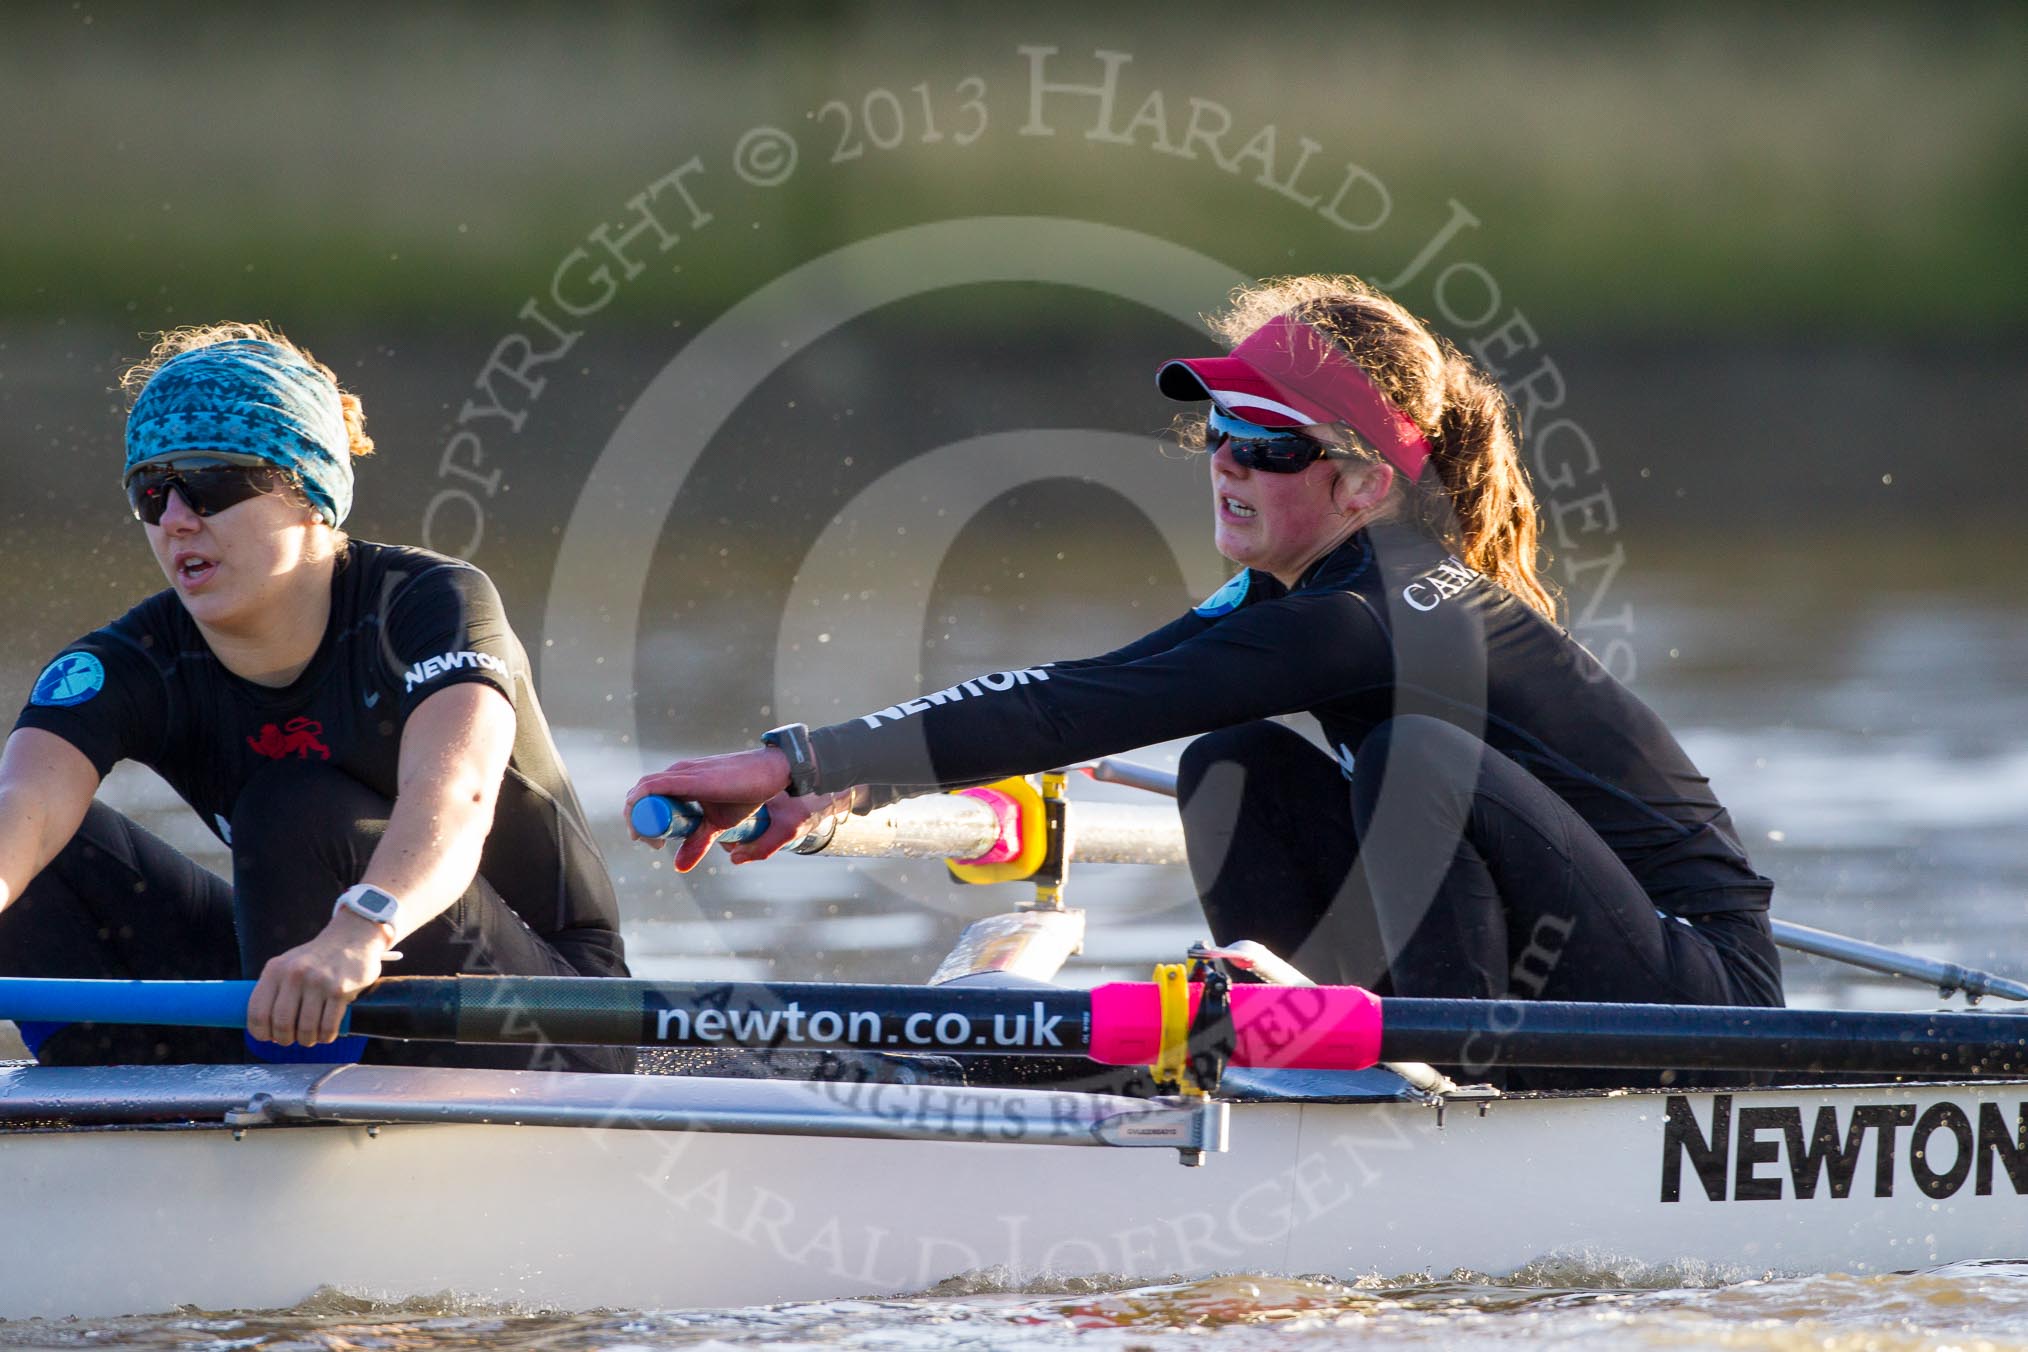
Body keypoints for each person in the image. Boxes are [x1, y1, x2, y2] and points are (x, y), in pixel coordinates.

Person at [625, 276, 1784, 1064]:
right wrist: (840, 779)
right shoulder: (1295, 595)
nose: (1228, 461)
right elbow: (1079, 692)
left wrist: (783, 754)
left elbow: (1081, 705)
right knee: (1231, 761)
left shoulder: (1374, 613)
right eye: (1221, 428)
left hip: (1696, 989)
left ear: (1364, 484)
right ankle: (1316, 1064)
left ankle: (1430, 1087)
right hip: (1569, 945)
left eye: (1272, 444)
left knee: (1411, 752)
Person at [0, 324, 632, 1072]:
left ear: (311, 493)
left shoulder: (429, 605)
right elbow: (24, 810)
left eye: (212, 479)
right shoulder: (130, 662)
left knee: (292, 808)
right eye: (151, 488)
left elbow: (453, 796)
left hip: (550, 1011)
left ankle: (293, 1100)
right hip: (312, 990)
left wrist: (360, 931)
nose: (175, 517)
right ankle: (124, 1117)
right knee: (52, 857)